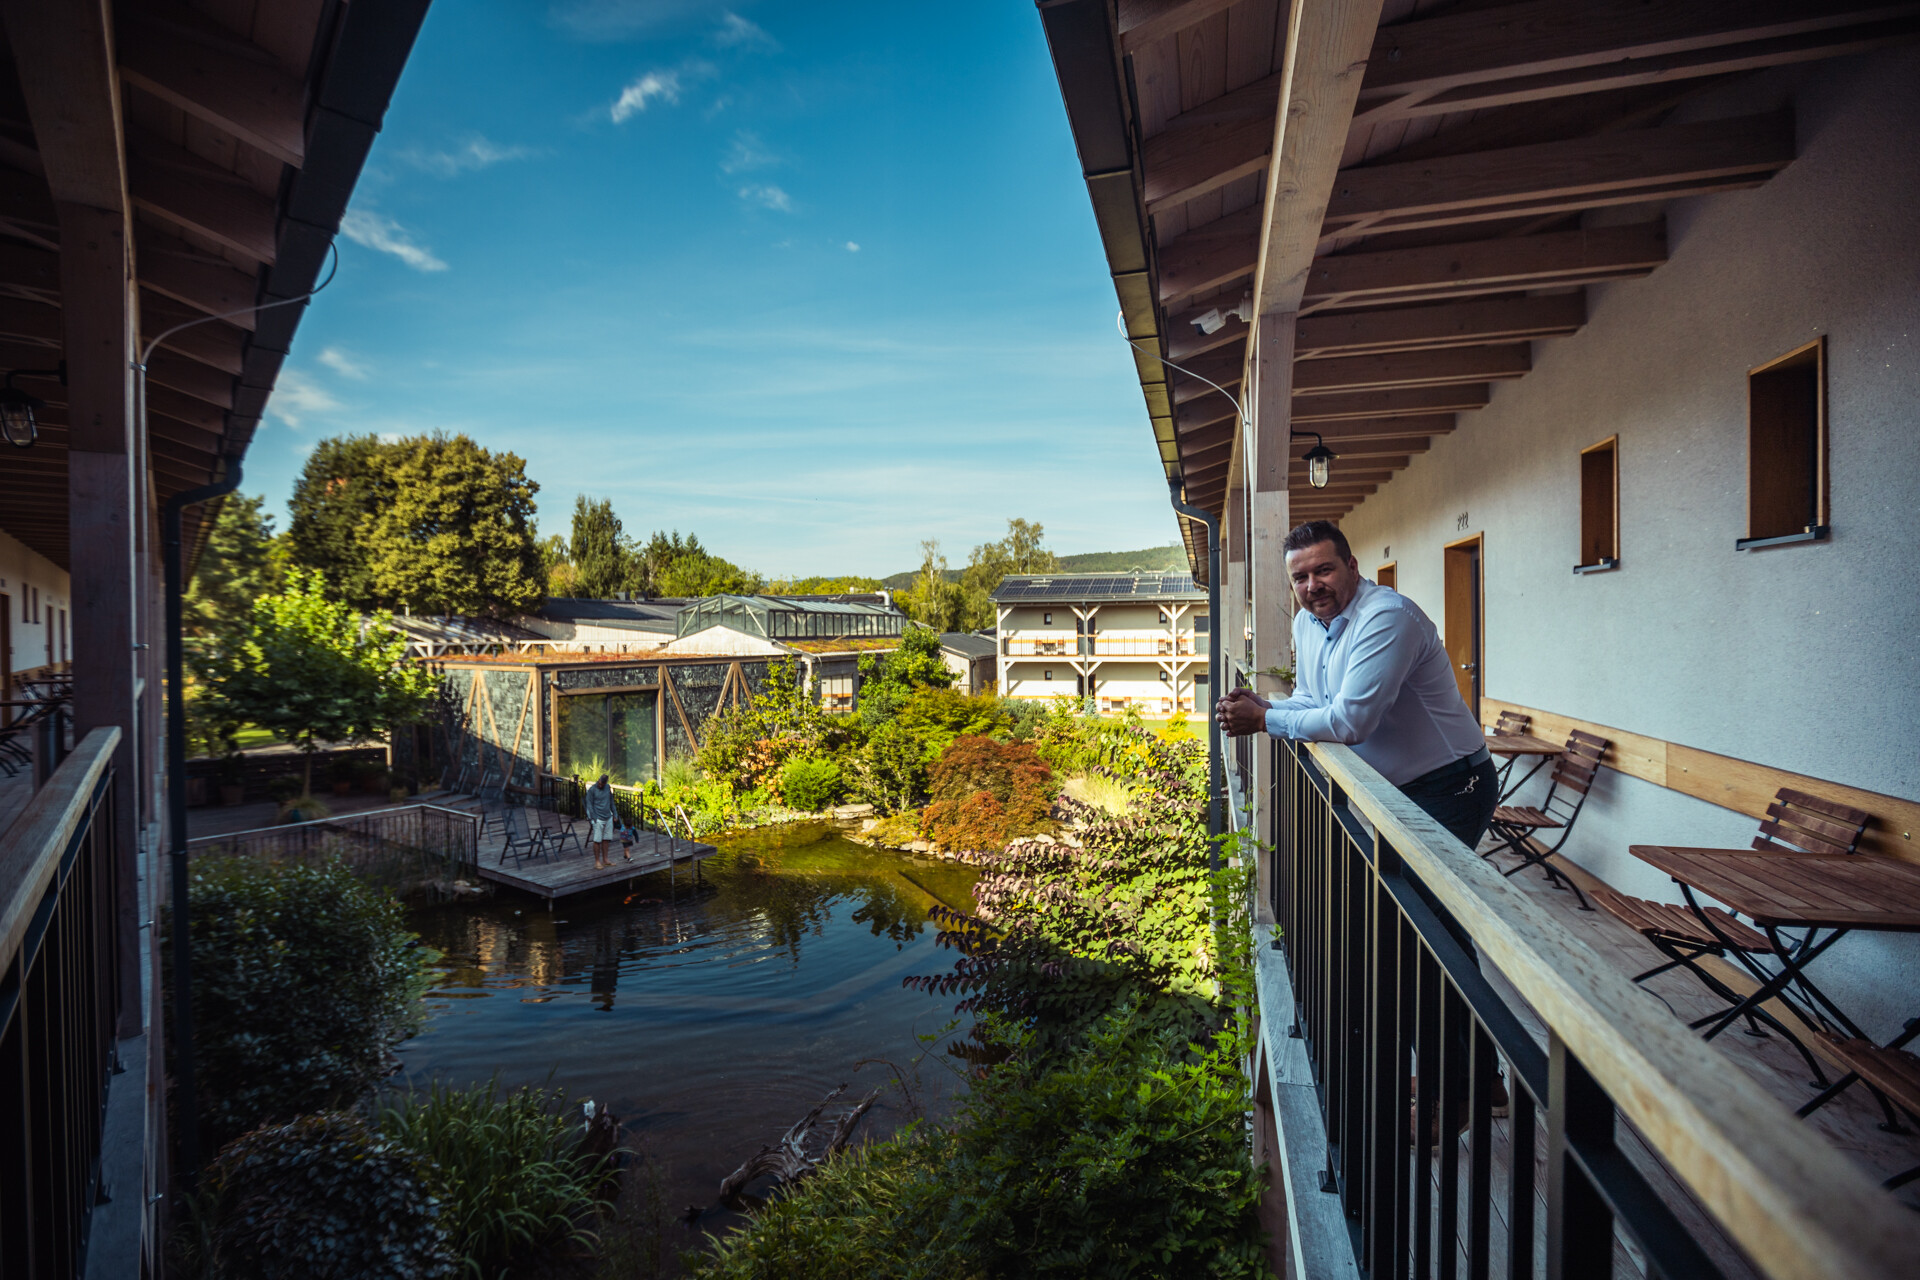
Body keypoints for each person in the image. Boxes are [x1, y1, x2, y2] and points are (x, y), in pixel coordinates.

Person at [1214, 519, 1499, 851]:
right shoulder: (1307, 621)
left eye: (1323, 571)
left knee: (1421, 902)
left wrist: (1263, 720)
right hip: (1390, 790)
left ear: (1351, 566)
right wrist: (1266, 707)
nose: (1312, 586)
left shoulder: (1387, 617)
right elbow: (1311, 698)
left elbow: (1351, 722)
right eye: (1300, 578)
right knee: (1389, 899)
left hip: (1451, 787)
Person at [584, 773, 618, 869]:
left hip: (608, 817)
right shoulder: (592, 790)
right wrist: (594, 818)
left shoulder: (607, 788)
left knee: (606, 839)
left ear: (605, 783)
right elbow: (589, 805)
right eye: (599, 783)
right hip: (597, 818)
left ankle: (605, 859)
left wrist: (615, 814)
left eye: (602, 784)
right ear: (598, 780)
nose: (600, 785)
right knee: (597, 840)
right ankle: (597, 861)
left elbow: (612, 802)